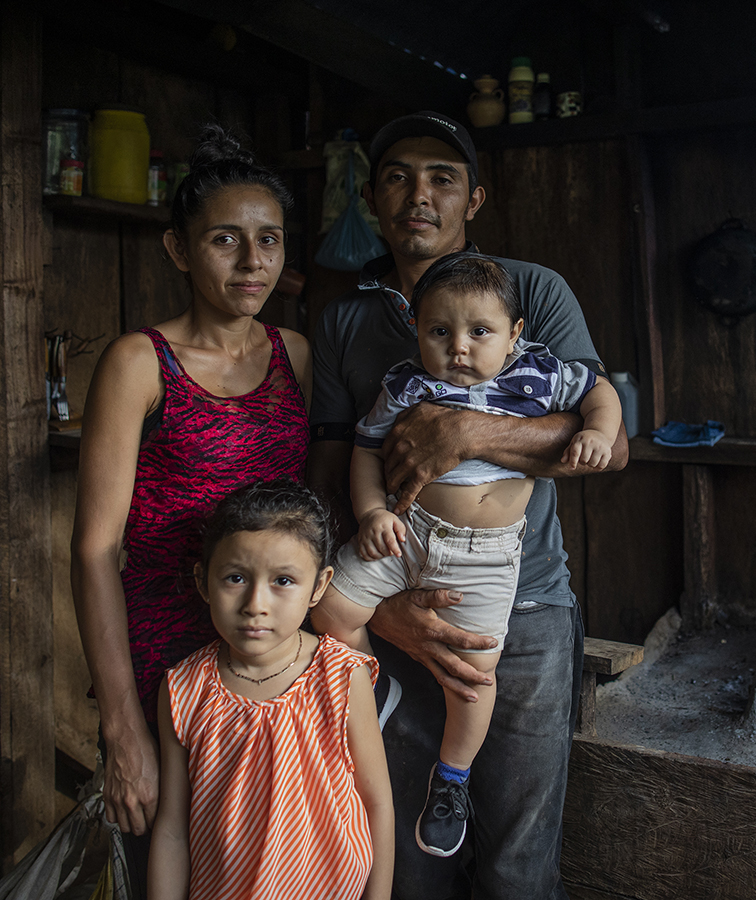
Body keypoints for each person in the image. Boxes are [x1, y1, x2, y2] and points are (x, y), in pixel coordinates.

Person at [307, 111, 628, 898]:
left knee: (519, 854)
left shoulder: (532, 291)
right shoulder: (346, 320)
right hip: (396, 598)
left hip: (522, 606)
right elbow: (327, 468)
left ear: (475, 198)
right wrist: (381, 615)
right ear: (374, 200)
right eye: (396, 177)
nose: (418, 194)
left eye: (442, 177)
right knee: (414, 853)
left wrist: (460, 429)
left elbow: (608, 443)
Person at [70, 125, 311, 897]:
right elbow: (94, 552)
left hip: (266, 657)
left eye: (268, 240)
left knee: (264, 868)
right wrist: (121, 726)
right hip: (164, 667)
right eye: (225, 241)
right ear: (178, 250)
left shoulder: (295, 356)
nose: (252, 263)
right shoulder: (140, 363)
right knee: (169, 869)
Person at [148, 480, 394, 900]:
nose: (255, 604)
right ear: (204, 582)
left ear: (318, 586)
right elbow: (172, 828)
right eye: (236, 578)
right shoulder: (183, 690)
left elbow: (378, 806)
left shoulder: (340, 677)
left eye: (283, 580)